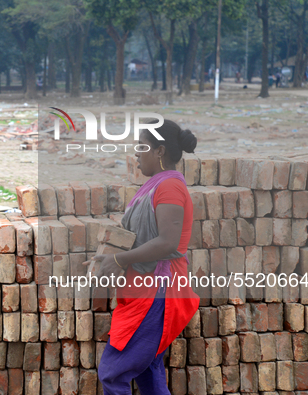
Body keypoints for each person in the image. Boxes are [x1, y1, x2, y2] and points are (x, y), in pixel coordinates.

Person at [90, 119, 200, 394]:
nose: (136, 153)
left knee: (113, 374)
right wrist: (109, 254)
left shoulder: (170, 188)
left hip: (157, 291)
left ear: (160, 151)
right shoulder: (156, 185)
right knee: (149, 372)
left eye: (142, 146)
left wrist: (119, 261)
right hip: (145, 290)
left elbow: (166, 242)